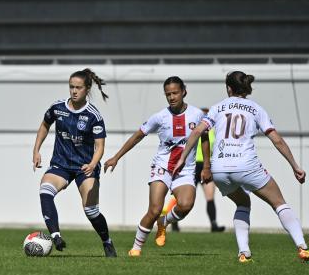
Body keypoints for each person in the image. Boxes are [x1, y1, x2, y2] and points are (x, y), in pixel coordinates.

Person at [173, 70, 309, 263]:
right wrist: (295, 166)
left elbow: (196, 132)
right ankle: (302, 247)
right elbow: (277, 140)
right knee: (279, 202)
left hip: (219, 170)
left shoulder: (217, 108)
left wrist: (182, 159)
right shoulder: (255, 108)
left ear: (228, 88)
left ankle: (244, 253)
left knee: (243, 203)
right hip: (246, 166)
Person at [104, 76, 209, 256]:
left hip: (186, 170)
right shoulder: (160, 117)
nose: (171, 97)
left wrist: (206, 165)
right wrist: (116, 157)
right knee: (154, 209)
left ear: (184, 91)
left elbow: (205, 138)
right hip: (163, 167)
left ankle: (164, 222)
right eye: (168, 94)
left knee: (186, 205)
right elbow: (137, 136)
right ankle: (136, 249)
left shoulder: (197, 114)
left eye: (175, 93)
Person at [32, 68, 117, 257]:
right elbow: (45, 125)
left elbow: (100, 146)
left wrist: (94, 163)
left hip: (85, 167)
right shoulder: (58, 108)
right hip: (61, 164)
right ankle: (55, 236)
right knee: (45, 190)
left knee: (91, 210)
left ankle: (107, 241)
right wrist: (36, 150)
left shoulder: (94, 115)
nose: (74, 91)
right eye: (71, 87)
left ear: (87, 89)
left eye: (78, 87)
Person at [170, 108, 225, 233]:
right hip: (193, 166)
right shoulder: (193, 129)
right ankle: (174, 222)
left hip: (206, 166)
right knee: (182, 196)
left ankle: (214, 224)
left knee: (210, 196)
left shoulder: (213, 132)